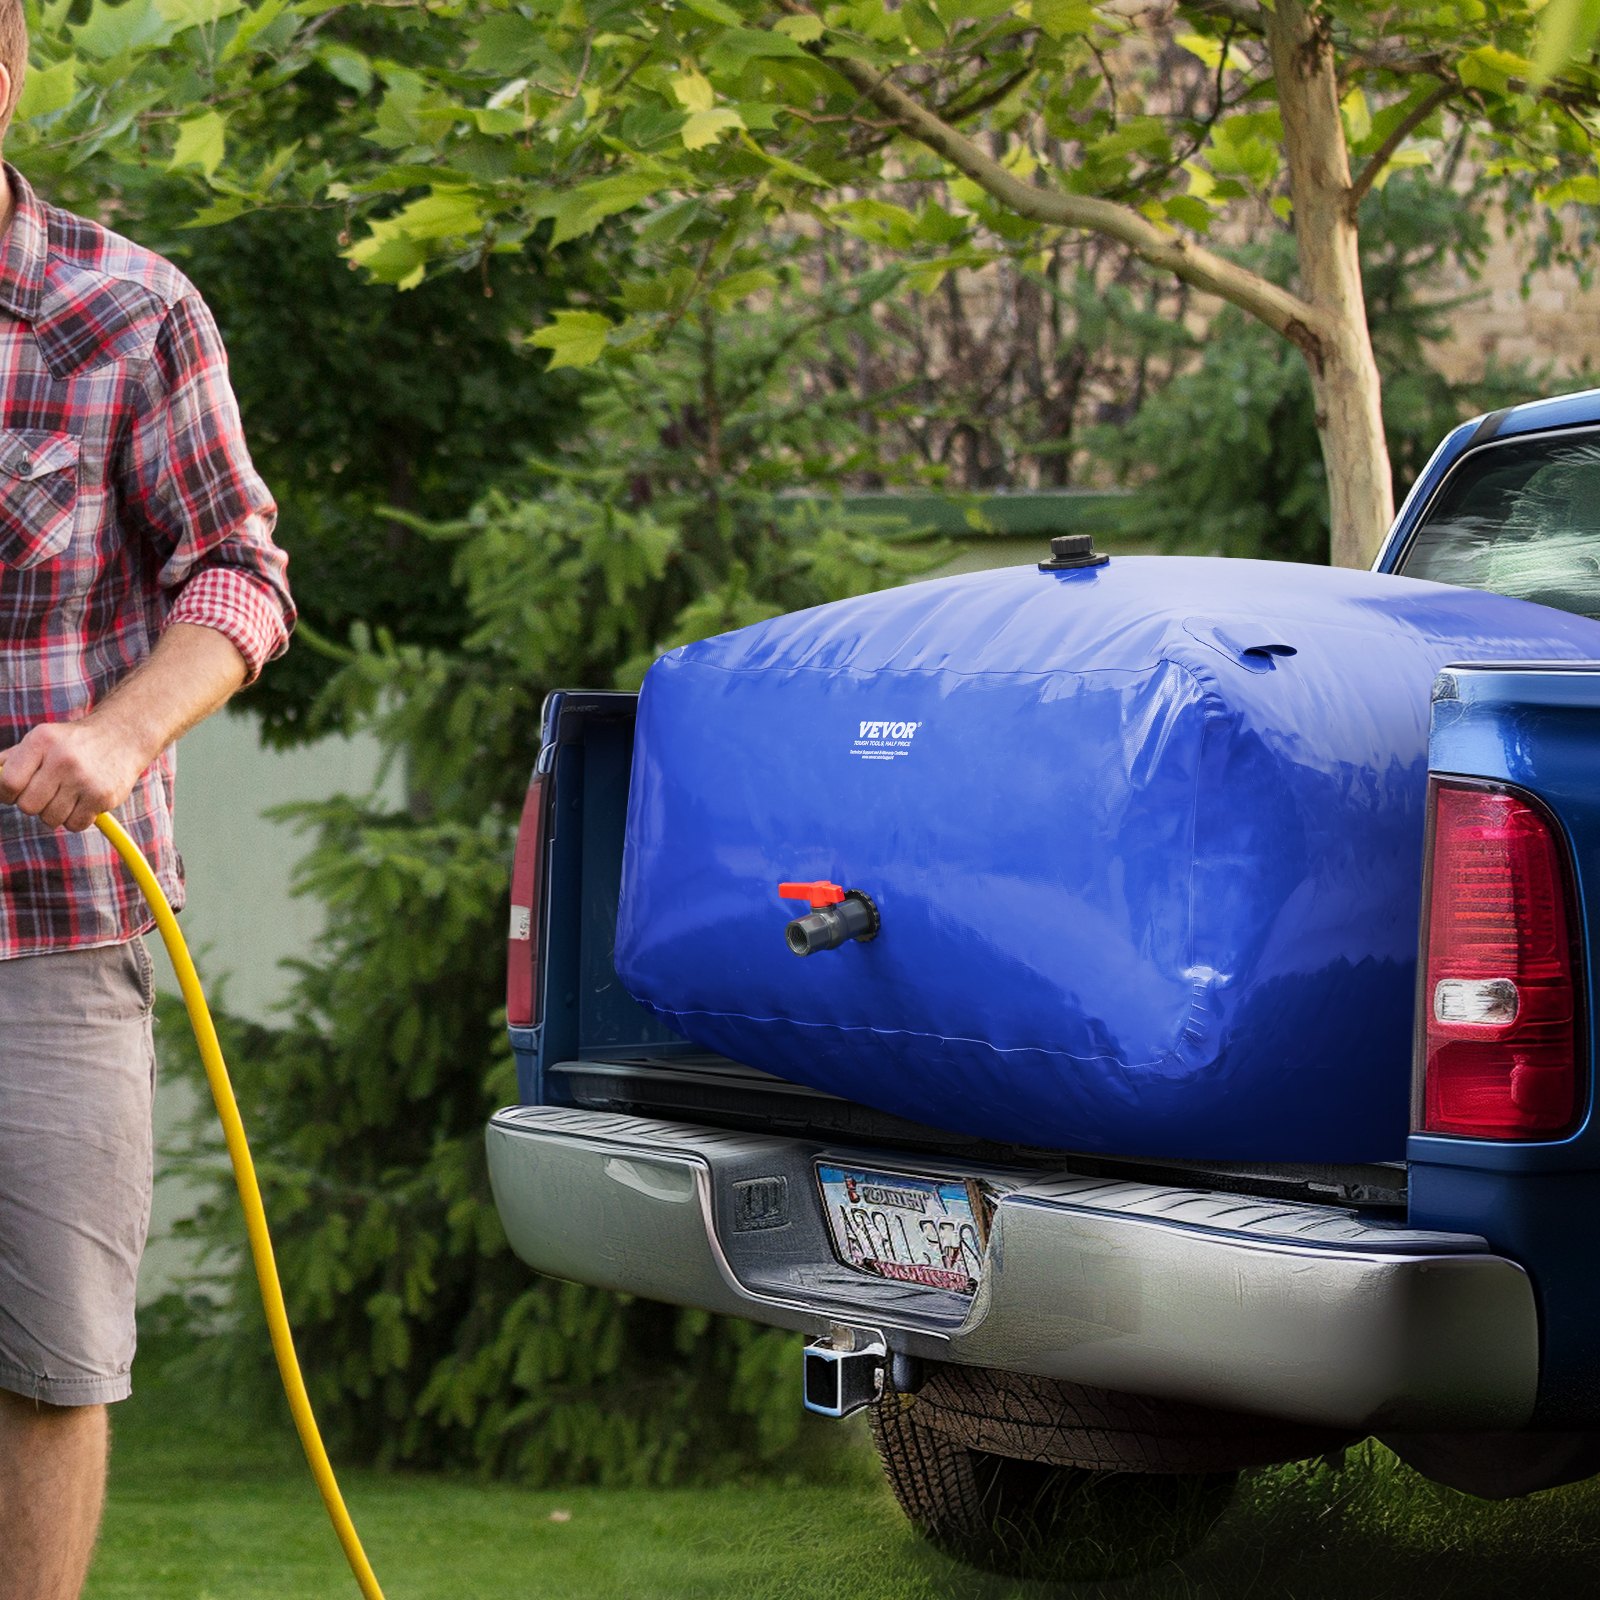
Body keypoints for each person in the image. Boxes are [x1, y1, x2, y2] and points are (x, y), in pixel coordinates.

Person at [0, 7, 295, 1596]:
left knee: (49, 1360)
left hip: (46, 934)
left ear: (4, 71)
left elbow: (240, 576)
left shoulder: (125, 312)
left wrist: (118, 734)